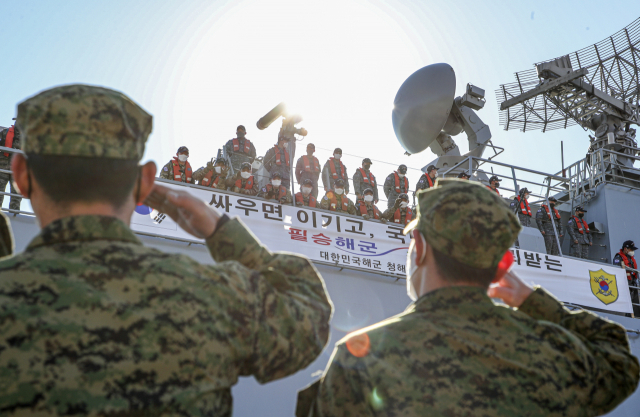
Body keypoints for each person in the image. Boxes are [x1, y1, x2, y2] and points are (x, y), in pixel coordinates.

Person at [0, 84, 332, 417]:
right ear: (146, 181)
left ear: (20, 175)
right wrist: (221, 231)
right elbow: (308, 316)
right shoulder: (210, 294)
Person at [296, 179, 640, 417]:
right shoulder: (548, 350)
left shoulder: (359, 359)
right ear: (500, 264)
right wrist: (534, 302)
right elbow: (618, 362)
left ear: (420, 248)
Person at [613, 240, 640, 317]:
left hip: (633, 283)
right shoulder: (618, 258)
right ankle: (627, 317)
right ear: (625, 249)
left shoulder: (630, 258)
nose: (632, 251)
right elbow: (617, 271)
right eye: (631, 249)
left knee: (635, 302)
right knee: (627, 303)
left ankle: (636, 317)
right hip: (625, 283)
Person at [0, 121, 23, 211]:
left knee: (16, 196)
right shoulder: (4, 132)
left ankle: (14, 215)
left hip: (18, 171)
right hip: (2, 169)